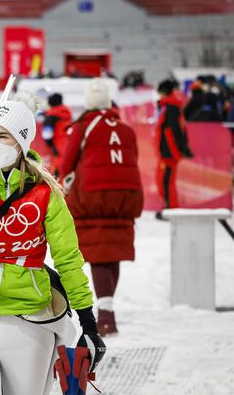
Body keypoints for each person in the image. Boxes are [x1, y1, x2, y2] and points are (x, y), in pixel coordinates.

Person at [0, 99, 105, 395]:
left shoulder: (45, 192)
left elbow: (68, 259)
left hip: (29, 314)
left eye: (3, 137)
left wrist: (88, 320)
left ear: (21, 142)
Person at [60, 79, 143, 336]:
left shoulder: (83, 127)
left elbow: (66, 164)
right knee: (112, 253)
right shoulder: (126, 128)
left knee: (99, 255)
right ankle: (107, 310)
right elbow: (134, 158)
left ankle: (105, 316)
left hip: (92, 198)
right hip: (125, 197)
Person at [155, 78, 193, 218]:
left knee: (166, 181)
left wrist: (182, 148)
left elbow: (176, 131)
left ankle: (171, 209)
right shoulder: (169, 106)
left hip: (169, 151)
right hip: (167, 150)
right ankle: (169, 207)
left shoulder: (171, 108)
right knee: (165, 180)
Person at [41, 92, 72, 178]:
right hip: (68, 146)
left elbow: (47, 135)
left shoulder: (51, 116)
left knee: (57, 175)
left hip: (57, 149)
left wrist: (50, 145)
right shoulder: (66, 114)